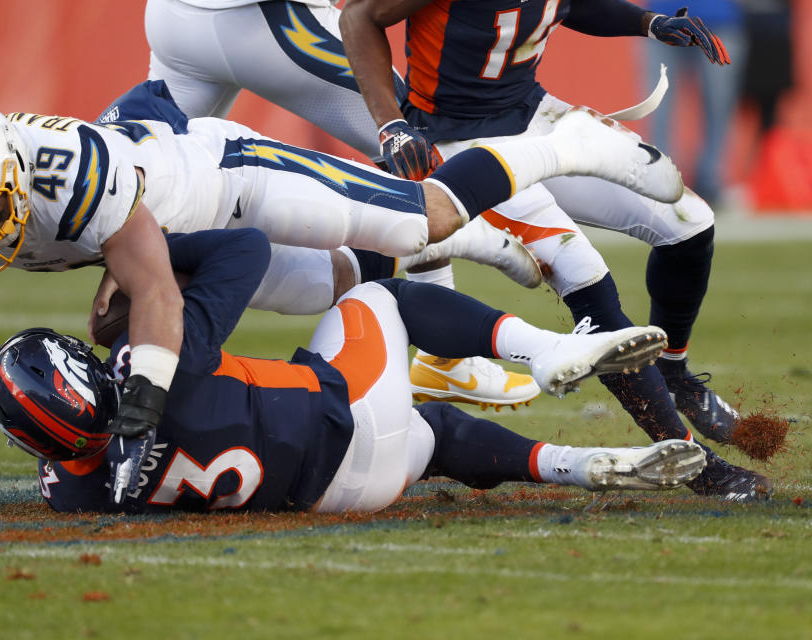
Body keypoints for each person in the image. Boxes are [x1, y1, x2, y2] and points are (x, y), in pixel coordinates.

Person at [0, 84, 682, 507]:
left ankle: (566, 145)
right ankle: (476, 244)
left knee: (417, 220)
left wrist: (141, 415)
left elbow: (154, 288)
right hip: (170, 236)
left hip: (229, 183)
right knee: (346, 281)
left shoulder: (71, 175)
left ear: (10, 167)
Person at [340, 0, 772, 501]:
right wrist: (391, 124)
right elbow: (358, 17)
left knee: (690, 223)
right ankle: (688, 456)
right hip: (465, 147)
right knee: (584, 273)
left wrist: (648, 22)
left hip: (536, 118)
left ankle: (672, 370)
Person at [0, 227, 705, 513]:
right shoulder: (154, 365)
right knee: (379, 296)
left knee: (436, 436)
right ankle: (545, 351)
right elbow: (243, 249)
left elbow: (66, 454)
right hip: (343, 419)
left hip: (339, 496)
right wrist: (145, 255)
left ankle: (581, 464)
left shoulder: (71, 496)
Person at [143, 0, 544, 410]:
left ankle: (123, 377)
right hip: (263, 18)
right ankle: (447, 354)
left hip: (174, 18)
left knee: (129, 184)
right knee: (409, 140)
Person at [643, 1, 747, 205]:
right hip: (661, 17)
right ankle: (659, 180)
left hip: (720, 19)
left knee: (719, 107)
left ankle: (712, 183)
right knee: (658, 104)